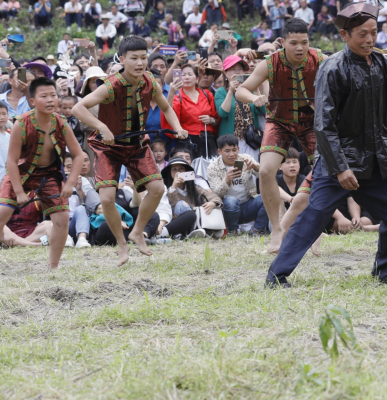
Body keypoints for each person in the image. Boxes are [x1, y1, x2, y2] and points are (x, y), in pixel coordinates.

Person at [267, 3, 387, 287]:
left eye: (373, 33)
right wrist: (341, 168)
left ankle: (385, 272)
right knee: (314, 217)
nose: (370, 39)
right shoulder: (332, 68)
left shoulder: (382, 63)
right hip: (337, 165)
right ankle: (276, 275)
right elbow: (323, 124)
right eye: (362, 34)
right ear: (345, 35)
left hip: (376, 160)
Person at [73, 36, 189, 266]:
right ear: (123, 59)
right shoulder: (110, 85)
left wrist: (177, 127)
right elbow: (78, 108)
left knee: (157, 189)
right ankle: (122, 243)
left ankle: (137, 232)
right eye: (134, 58)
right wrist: (102, 126)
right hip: (108, 147)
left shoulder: (150, 82)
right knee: (106, 198)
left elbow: (166, 107)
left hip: (136, 144)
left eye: (143, 58)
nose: (139, 63)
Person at [234, 18, 326, 253]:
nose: (299, 48)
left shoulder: (320, 59)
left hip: (311, 121)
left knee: (325, 173)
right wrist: (255, 98)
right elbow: (241, 91)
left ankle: (313, 227)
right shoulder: (271, 62)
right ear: (283, 42)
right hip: (279, 121)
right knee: (265, 171)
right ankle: (277, 228)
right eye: (293, 43)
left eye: (304, 42)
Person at [0, 77, 86, 268]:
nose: (50, 100)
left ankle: (53, 265)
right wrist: (20, 192)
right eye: (44, 96)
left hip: (49, 175)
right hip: (21, 173)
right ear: (32, 101)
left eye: (53, 95)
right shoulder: (20, 124)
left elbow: (79, 156)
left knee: (62, 219)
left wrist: (70, 183)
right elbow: (12, 162)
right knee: (2, 212)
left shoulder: (61, 123)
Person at [207, 134, 269, 235]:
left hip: (248, 205)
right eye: (227, 151)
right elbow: (216, 193)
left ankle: (257, 230)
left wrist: (256, 167)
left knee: (267, 196)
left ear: (238, 149)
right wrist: (227, 180)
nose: (231, 154)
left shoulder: (245, 159)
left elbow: (266, 175)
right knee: (231, 200)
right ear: (219, 151)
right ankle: (232, 230)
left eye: (234, 150)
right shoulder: (213, 167)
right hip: (227, 209)